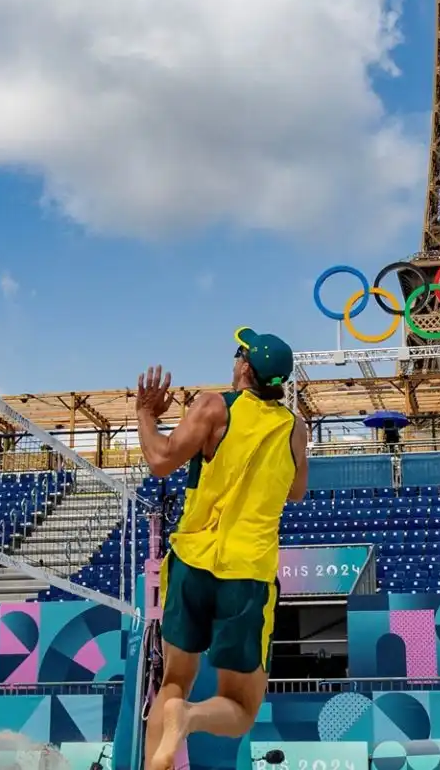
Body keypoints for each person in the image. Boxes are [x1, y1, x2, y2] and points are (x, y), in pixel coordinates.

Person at [137, 327, 311, 769]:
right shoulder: (294, 427)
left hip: (194, 560)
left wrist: (145, 414)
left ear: (245, 368)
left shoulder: (214, 407)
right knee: (240, 708)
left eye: (239, 353)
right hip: (247, 572)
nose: (234, 359)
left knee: (173, 681)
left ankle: (174, 721)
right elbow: (295, 492)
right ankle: (191, 719)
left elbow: (159, 461)